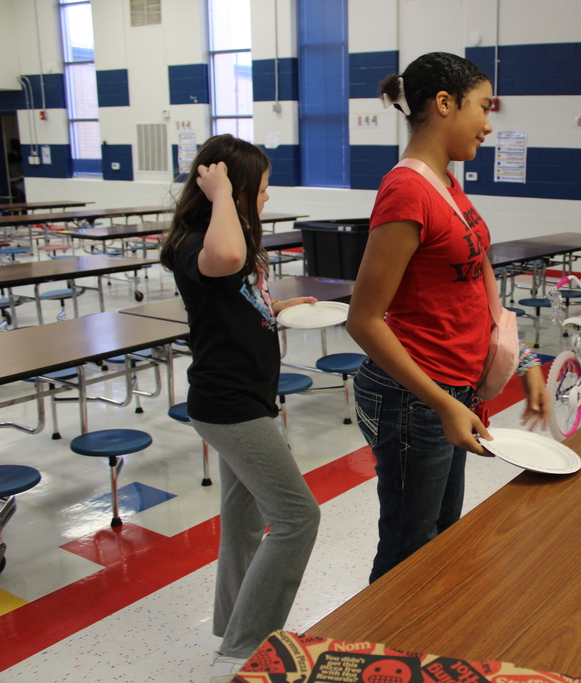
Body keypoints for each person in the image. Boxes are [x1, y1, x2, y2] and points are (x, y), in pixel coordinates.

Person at [346, 52, 549, 583]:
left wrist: (521, 357)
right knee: (407, 553)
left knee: (440, 537)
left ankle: (415, 651)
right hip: (415, 396)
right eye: (483, 108)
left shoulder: (447, 184)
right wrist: (441, 405)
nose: (487, 124)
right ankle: (377, 655)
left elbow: (475, 294)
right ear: (443, 104)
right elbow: (364, 319)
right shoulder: (407, 190)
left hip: (451, 390)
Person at [159, 134, 321, 683]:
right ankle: (243, 650)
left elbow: (236, 299)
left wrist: (276, 308)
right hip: (229, 406)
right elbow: (223, 259)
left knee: (244, 521)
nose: (267, 198)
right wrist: (223, 190)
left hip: (246, 399)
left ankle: (231, 627)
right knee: (299, 517)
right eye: (263, 188)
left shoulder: (232, 239)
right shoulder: (196, 244)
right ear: (229, 190)